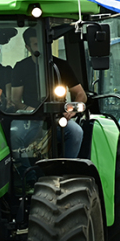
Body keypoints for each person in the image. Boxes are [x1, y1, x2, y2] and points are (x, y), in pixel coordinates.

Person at [11, 28, 86, 159]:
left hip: (57, 118)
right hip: (31, 119)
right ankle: (26, 174)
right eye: (35, 44)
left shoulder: (61, 66)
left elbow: (81, 94)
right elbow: (15, 100)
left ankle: (66, 167)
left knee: (76, 132)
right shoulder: (20, 67)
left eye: (42, 43)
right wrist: (29, 110)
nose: (39, 47)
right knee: (15, 134)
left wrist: (72, 110)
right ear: (27, 47)